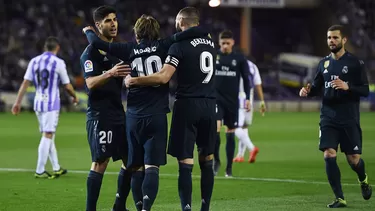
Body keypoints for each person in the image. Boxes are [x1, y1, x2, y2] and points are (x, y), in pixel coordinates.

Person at [83, 12, 207, 211]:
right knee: (152, 167)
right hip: (157, 115)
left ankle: (133, 204)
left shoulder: (128, 49)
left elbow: (99, 44)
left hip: (133, 116)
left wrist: (89, 31)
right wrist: (203, 30)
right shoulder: (164, 45)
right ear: (156, 33)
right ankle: (145, 208)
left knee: (135, 166)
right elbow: (191, 33)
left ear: (136, 34)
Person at [125, 6, 216, 211]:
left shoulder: (179, 46)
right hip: (210, 106)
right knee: (207, 159)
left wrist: (134, 80)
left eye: (176, 22)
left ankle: (186, 208)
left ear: (181, 22)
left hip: (187, 105)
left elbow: (164, 77)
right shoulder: (210, 43)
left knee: (185, 162)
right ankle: (205, 208)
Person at [299, 24, 372, 208]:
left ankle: (363, 179)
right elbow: (316, 88)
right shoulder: (323, 63)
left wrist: (349, 87)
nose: (331, 41)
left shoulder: (355, 63)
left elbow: (364, 90)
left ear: (344, 40)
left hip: (349, 117)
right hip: (328, 117)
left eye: (335, 38)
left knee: (353, 160)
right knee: (328, 154)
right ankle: (340, 198)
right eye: (329, 38)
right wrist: (307, 91)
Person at [80, 6, 132, 211]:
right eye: (109, 21)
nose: (114, 24)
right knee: (101, 162)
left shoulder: (116, 50)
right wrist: (110, 73)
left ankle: (119, 205)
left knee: (131, 160)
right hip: (100, 115)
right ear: (98, 25)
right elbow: (90, 83)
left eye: (115, 20)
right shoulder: (90, 52)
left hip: (119, 113)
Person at [11, 36, 77, 179]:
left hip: (38, 102)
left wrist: (17, 102)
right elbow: (67, 85)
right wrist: (74, 96)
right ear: (57, 48)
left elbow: (25, 83)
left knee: (49, 134)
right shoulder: (58, 62)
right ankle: (40, 170)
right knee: (48, 134)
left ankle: (56, 167)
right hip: (51, 103)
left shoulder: (34, 61)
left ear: (45, 48)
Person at [213, 30, 251, 177]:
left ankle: (229, 167)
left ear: (233, 43)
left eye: (228, 43)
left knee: (230, 132)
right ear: (219, 43)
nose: (225, 46)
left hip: (232, 101)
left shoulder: (239, 58)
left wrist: (247, 98)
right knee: (215, 129)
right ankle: (216, 161)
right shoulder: (213, 56)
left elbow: (246, 79)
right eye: (223, 43)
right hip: (216, 99)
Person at [233, 59, 266, 163]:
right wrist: (262, 101)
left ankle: (252, 148)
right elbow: (258, 84)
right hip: (249, 98)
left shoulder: (234, 63)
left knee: (234, 127)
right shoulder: (253, 66)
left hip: (237, 97)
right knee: (244, 127)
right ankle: (240, 155)